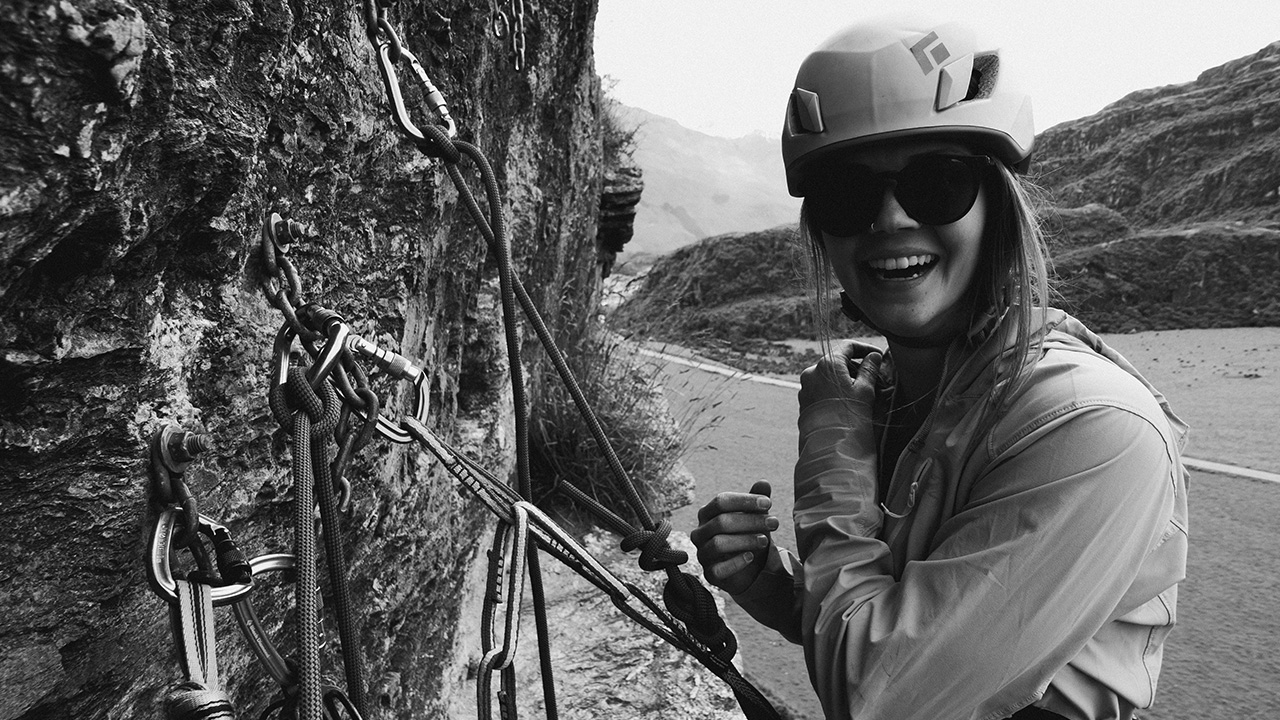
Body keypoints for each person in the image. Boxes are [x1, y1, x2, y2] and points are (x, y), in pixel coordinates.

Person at [689, 16, 1189, 720]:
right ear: (822, 233)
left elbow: (882, 692)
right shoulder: (893, 398)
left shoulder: (1094, 426)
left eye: (937, 183)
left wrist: (832, 465)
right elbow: (899, 624)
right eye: (846, 194)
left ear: (998, 208)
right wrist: (773, 588)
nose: (889, 218)